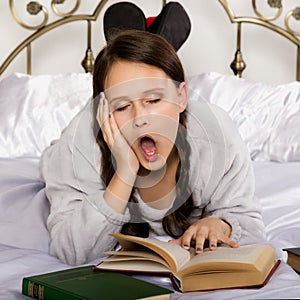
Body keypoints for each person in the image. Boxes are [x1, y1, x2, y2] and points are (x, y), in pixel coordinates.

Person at [40, 30, 266, 266]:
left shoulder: (215, 137)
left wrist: (221, 224)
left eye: (154, 100)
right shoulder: (81, 141)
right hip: (59, 157)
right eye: (122, 106)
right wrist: (125, 173)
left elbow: (251, 226)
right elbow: (69, 251)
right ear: (104, 112)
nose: (140, 119)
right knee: (51, 162)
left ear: (181, 97)